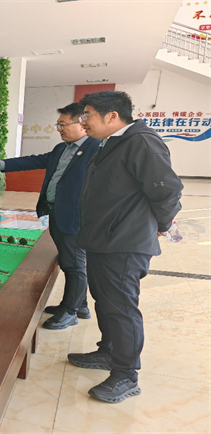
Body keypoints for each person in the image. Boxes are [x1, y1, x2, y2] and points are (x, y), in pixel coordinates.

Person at [68, 91, 183, 403]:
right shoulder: (112, 142)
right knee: (104, 301)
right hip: (103, 239)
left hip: (123, 243)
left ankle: (126, 375)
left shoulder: (141, 142)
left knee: (120, 308)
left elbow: (167, 190)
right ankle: (108, 352)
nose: (83, 122)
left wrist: (162, 224)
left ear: (112, 116)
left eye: (87, 115)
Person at [0, 103, 99, 330]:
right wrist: (0, 164)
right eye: (58, 125)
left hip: (76, 218)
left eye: (63, 125)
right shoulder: (62, 149)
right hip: (57, 213)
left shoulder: (96, 148)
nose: (59, 129)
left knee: (73, 264)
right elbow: (34, 160)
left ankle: (70, 312)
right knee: (69, 260)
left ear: (82, 124)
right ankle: (79, 305)